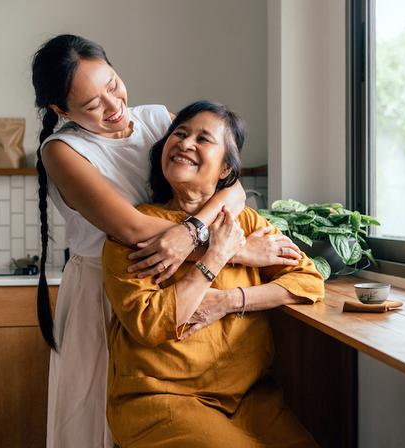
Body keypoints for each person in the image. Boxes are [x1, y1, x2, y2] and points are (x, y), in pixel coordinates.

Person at [31, 35, 304, 447]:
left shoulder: (159, 119)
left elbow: (231, 187)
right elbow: (133, 230)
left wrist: (193, 232)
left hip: (183, 278)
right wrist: (233, 248)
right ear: (61, 110)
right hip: (110, 290)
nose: (113, 105)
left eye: (112, 84)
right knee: (101, 420)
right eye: (92, 105)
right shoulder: (62, 151)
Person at [102, 101, 325, 447]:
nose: (185, 143)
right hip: (160, 399)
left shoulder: (246, 222)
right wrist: (219, 254)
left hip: (251, 399)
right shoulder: (134, 231)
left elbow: (308, 282)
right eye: (179, 133)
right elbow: (149, 323)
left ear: (225, 170)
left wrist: (228, 301)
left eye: (203, 139)